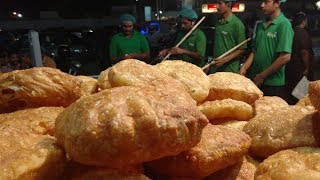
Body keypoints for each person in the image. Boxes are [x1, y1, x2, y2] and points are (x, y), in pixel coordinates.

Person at [239, 0, 293, 99]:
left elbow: (285, 57)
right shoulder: (260, 25)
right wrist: (245, 67)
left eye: (266, 2)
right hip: (256, 80)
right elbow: (255, 51)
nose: (262, 5)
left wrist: (262, 76)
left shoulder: (284, 24)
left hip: (273, 84)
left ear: (277, 4)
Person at [207, 0, 247, 74]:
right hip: (215, 68)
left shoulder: (237, 24)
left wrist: (224, 60)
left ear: (228, 4)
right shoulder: (218, 23)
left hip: (230, 70)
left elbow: (242, 49)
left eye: (220, 3)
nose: (217, 6)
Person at [285, 12, 314, 104]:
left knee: (291, 95)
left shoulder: (290, 31)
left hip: (289, 68)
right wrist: (307, 68)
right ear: (304, 21)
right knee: (301, 97)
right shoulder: (303, 33)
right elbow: (304, 52)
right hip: (300, 70)